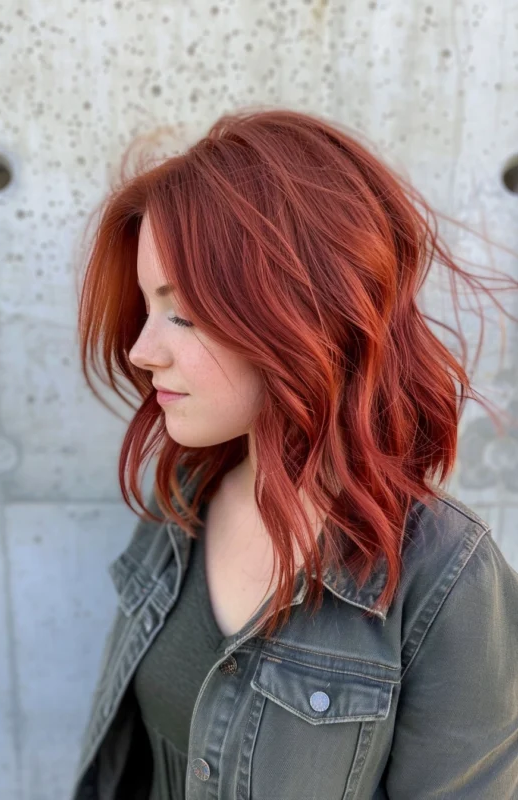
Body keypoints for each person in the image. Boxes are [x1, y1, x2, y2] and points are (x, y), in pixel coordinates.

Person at [70, 108, 518, 799]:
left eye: (181, 313)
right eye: (146, 307)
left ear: (300, 312)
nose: (140, 350)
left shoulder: (446, 579)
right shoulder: (178, 502)